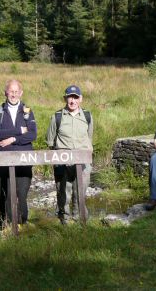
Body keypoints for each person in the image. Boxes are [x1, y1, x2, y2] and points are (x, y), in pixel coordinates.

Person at [0, 79, 37, 228]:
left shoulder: (27, 111)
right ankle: (2, 225)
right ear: (6, 93)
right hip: (2, 161)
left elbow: (32, 135)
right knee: (2, 194)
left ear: (21, 93)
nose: (14, 94)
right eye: (11, 91)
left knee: (21, 194)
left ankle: (22, 223)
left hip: (23, 160)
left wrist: (12, 138)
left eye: (17, 91)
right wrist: (19, 131)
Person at [46, 85, 93, 224]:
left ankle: (80, 218)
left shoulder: (87, 115)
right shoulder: (57, 116)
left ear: (81, 99)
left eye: (75, 97)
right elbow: (50, 141)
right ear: (65, 98)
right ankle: (65, 219)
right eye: (69, 97)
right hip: (62, 160)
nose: (72, 101)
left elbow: (89, 137)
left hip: (83, 161)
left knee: (81, 191)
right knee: (63, 192)